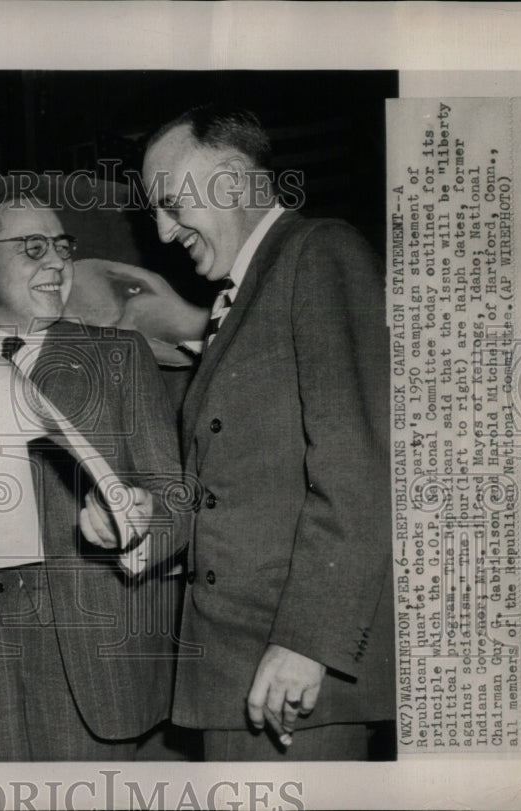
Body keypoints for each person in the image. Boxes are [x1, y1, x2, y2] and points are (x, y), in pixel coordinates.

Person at [141, 104, 395, 760]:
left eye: (171, 204)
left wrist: (310, 640)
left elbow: (358, 461)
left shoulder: (319, 252)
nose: (165, 233)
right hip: (235, 670)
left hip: (292, 677)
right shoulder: (246, 291)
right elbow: (229, 490)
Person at [0, 193, 187, 761]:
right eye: (32, 248)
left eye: (62, 247)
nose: (56, 262)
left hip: (89, 671)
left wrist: (139, 522)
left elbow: (176, 503)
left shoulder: (122, 357)